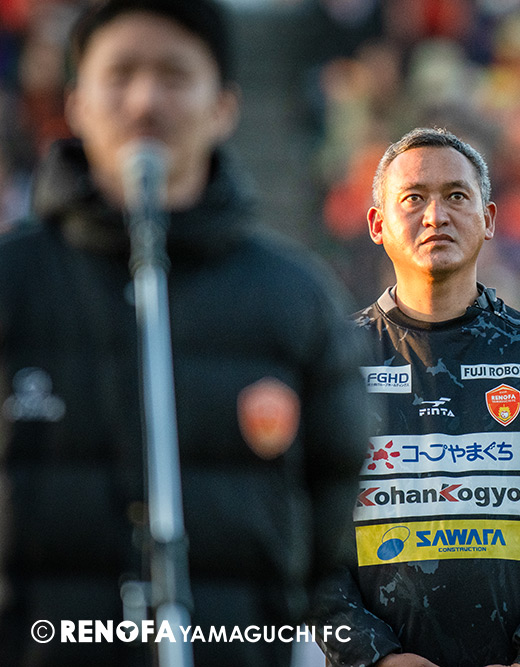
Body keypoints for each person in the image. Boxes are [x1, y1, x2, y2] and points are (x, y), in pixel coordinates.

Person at [0, 1, 368, 665]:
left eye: (174, 75)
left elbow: (337, 512)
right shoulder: (12, 284)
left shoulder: (295, 300)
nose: (145, 101)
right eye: (120, 74)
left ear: (224, 106)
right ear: (76, 103)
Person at [313, 127, 520, 667]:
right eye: (413, 198)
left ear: (488, 219)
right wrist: (375, 657)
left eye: (457, 196)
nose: (436, 216)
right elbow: (301, 540)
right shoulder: (332, 361)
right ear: (377, 224)